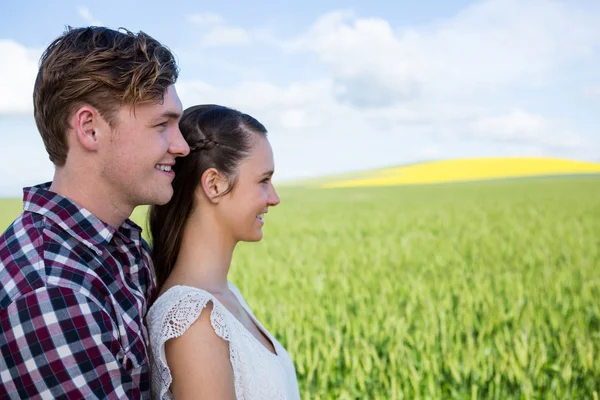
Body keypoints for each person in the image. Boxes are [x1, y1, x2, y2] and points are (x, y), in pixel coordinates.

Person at [0, 26, 189, 398]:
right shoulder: (52, 289)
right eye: (162, 124)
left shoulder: (121, 246)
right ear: (90, 129)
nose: (181, 145)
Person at [146, 105, 301, 399]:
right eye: (263, 181)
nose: (274, 198)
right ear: (214, 184)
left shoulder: (226, 295)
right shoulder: (192, 322)